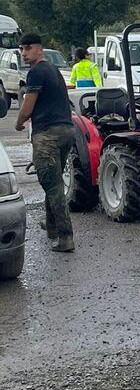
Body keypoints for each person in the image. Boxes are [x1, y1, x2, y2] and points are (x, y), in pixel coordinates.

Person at [14, 34, 76, 252]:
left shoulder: (36, 72)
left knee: (52, 185)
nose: (24, 53)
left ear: (39, 49)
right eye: (22, 49)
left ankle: (65, 236)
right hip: (66, 130)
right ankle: (51, 225)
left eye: (27, 48)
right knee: (54, 179)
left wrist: (19, 122)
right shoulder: (52, 70)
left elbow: (28, 105)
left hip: (48, 134)